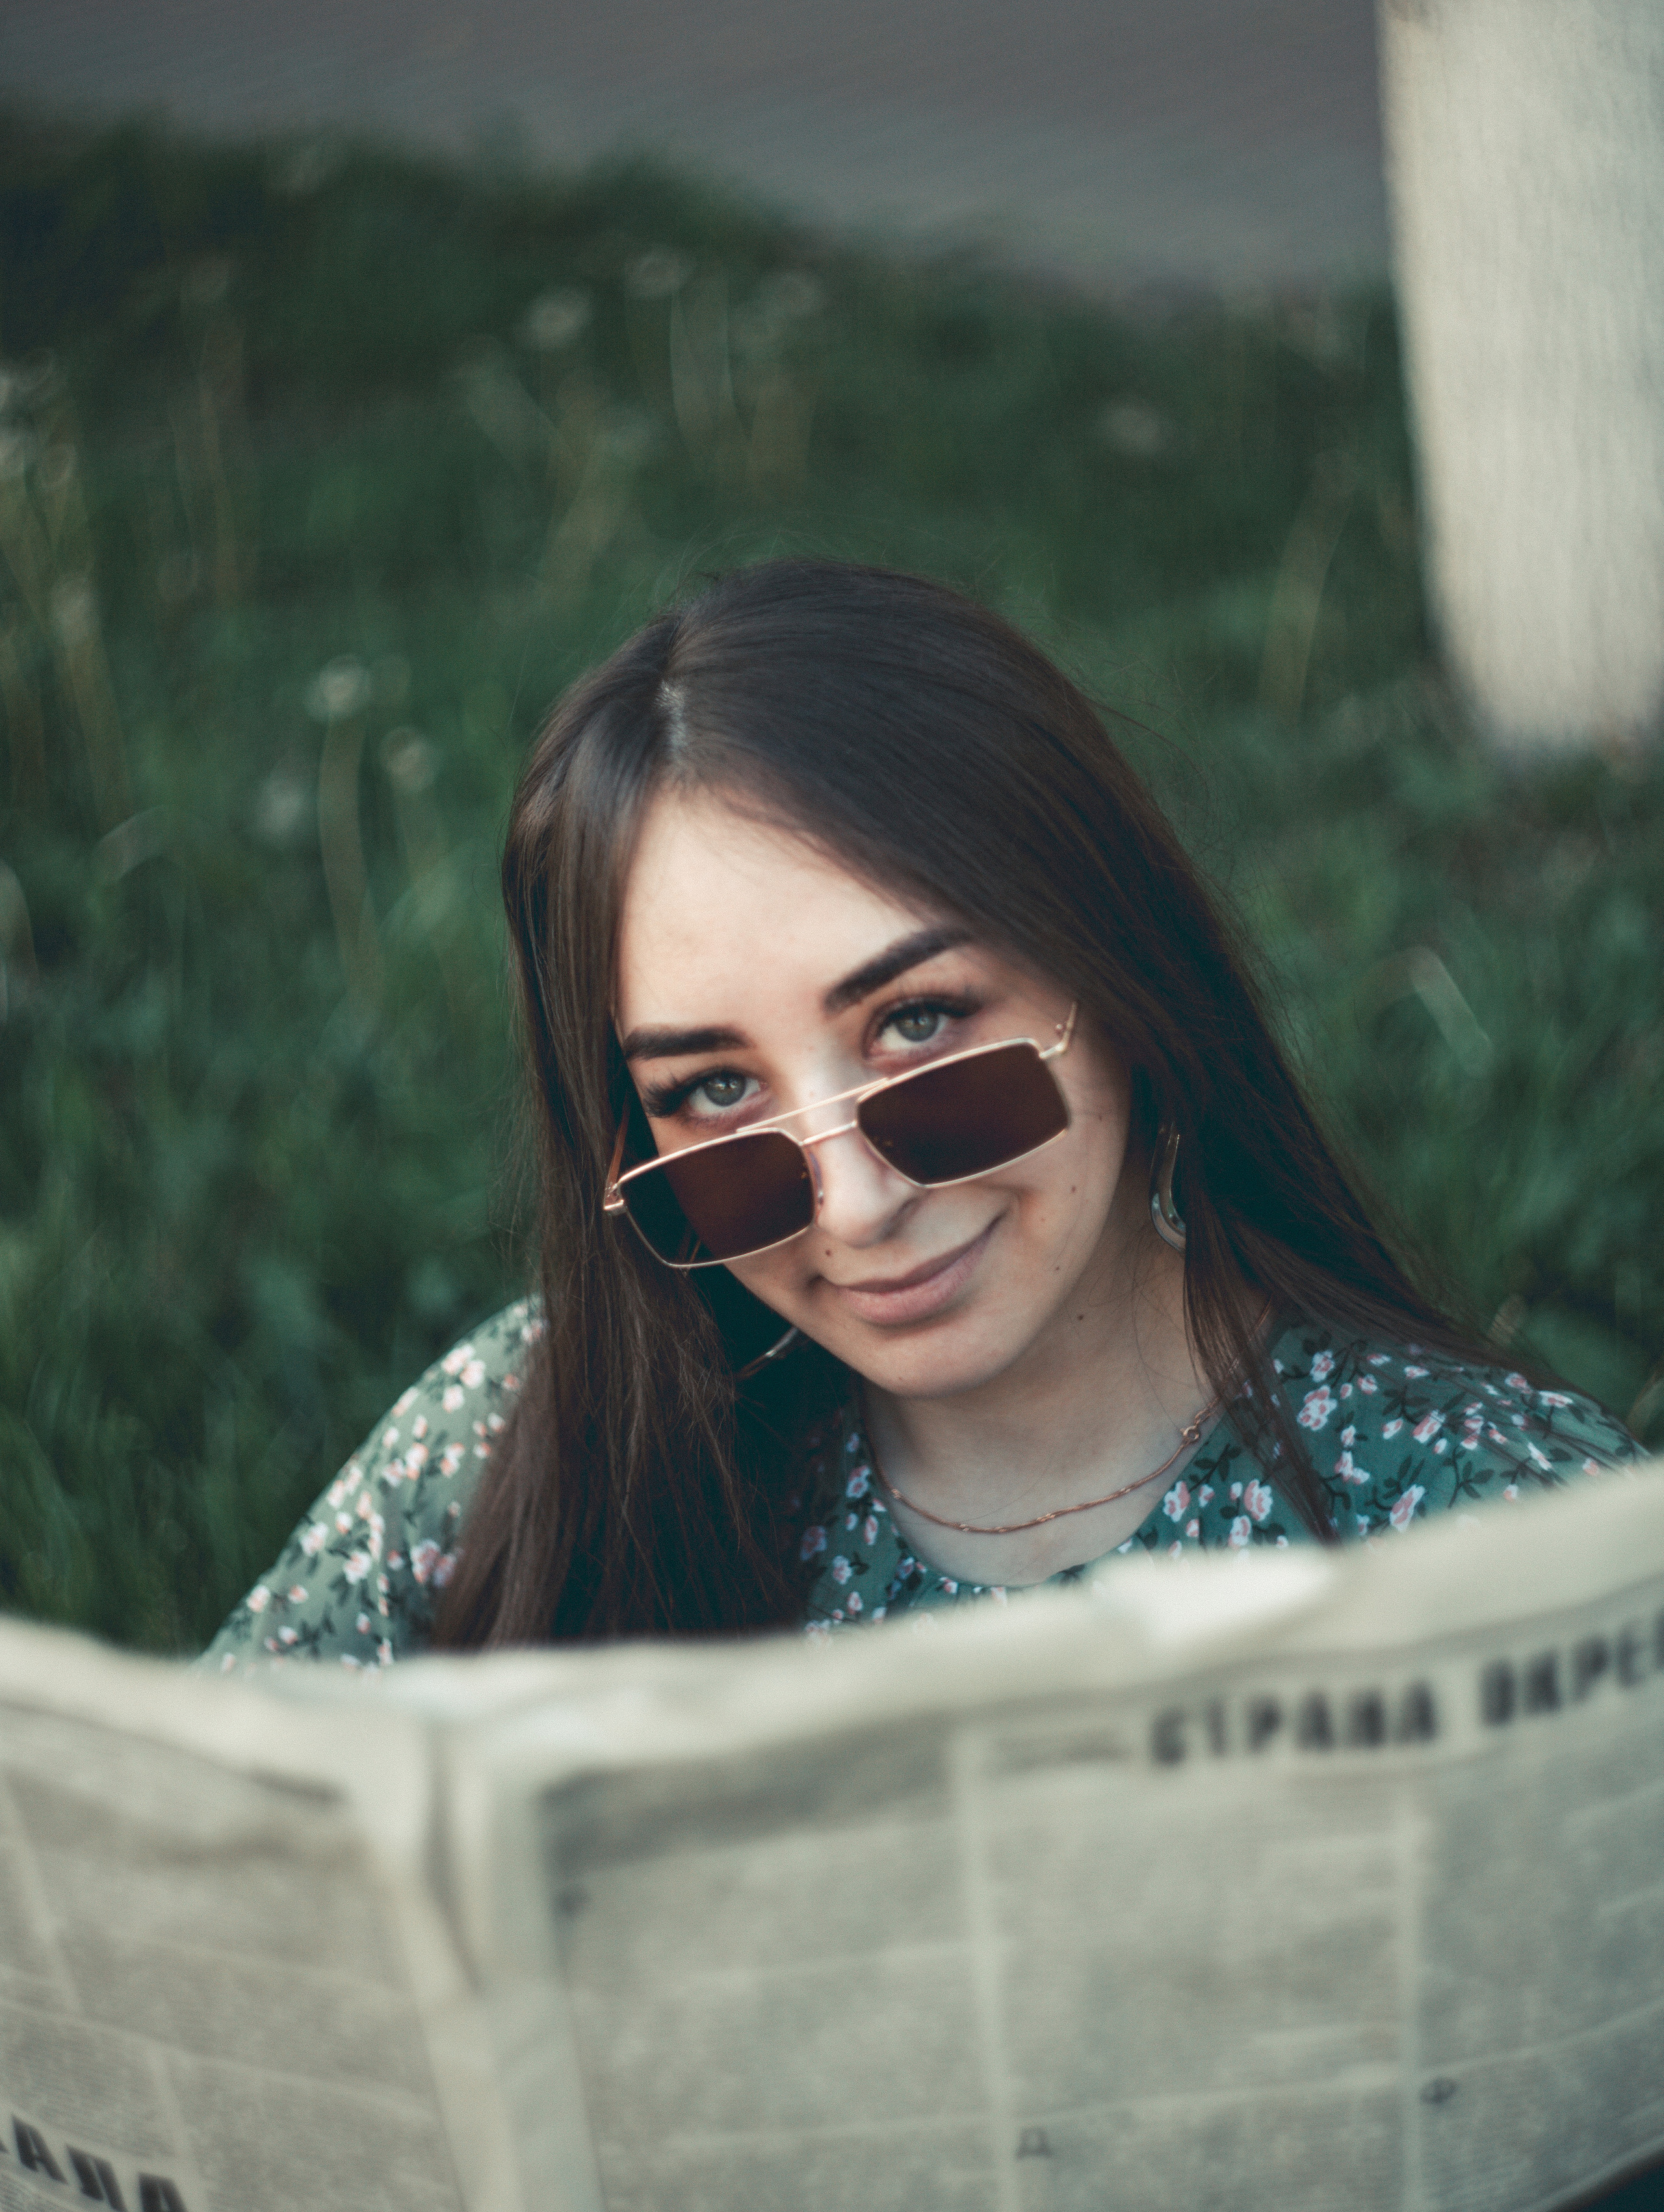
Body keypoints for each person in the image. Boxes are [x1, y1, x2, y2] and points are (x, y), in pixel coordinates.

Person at [207, 558, 1644, 1669]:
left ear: (1118, 971)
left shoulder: (1496, 1517)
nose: (854, 1206)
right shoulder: (527, 1438)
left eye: (916, 1028)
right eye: (713, 1094)